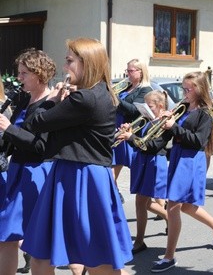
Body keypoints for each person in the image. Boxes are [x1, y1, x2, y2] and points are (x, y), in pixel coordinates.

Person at [21, 38, 133, 274]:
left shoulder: (84, 98)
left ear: (87, 62)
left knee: (92, 257)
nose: (65, 67)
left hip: (79, 176)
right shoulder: (101, 92)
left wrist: (50, 101)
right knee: (90, 254)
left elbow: (34, 123)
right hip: (83, 174)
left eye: (69, 61)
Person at [151, 71, 213, 273]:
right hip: (178, 156)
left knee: (174, 206)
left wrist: (174, 127)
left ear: (200, 89)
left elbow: (197, 141)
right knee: (186, 206)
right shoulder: (183, 108)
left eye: (188, 89)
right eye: (183, 88)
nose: (184, 92)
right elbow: (169, 134)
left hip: (191, 160)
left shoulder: (205, 113)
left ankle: (169, 256)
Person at [0, 49, 56, 275]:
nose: (19, 78)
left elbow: (42, 147)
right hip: (17, 170)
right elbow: (13, 140)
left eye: (24, 73)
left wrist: (9, 128)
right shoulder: (25, 99)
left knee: (37, 244)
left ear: (39, 74)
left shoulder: (51, 104)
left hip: (36, 174)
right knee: (6, 236)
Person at [117, 90, 169, 254]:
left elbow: (153, 146)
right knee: (144, 202)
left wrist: (131, 137)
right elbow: (137, 145)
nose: (146, 109)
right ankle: (168, 217)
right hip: (141, 160)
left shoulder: (164, 122)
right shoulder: (146, 121)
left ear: (160, 106)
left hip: (154, 161)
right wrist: (129, 133)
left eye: (150, 106)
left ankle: (139, 241)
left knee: (141, 202)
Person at [113, 58, 153, 201]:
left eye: (131, 71)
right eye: (127, 70)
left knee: (116, 170)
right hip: (117, 128)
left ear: (141, 72)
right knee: (111, 169)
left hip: (129, 131)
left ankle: (162, 205)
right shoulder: (126, 87)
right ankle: (115, 195)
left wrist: (116, 99)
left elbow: (135, 111)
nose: (127, 74)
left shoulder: (146, 90)